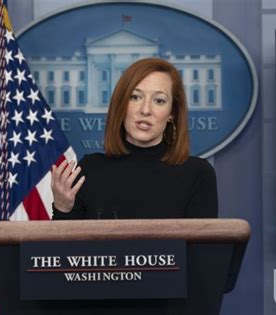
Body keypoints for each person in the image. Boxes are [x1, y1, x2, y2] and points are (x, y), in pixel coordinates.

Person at [51, 58, 218, 220]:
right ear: (122, 105)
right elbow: (62, 248)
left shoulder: (198, 174)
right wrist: (63, 209)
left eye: (159, 101)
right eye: (135, 97)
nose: (145, 110)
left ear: (172, 113)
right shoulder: (89, 170)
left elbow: (204, 247)